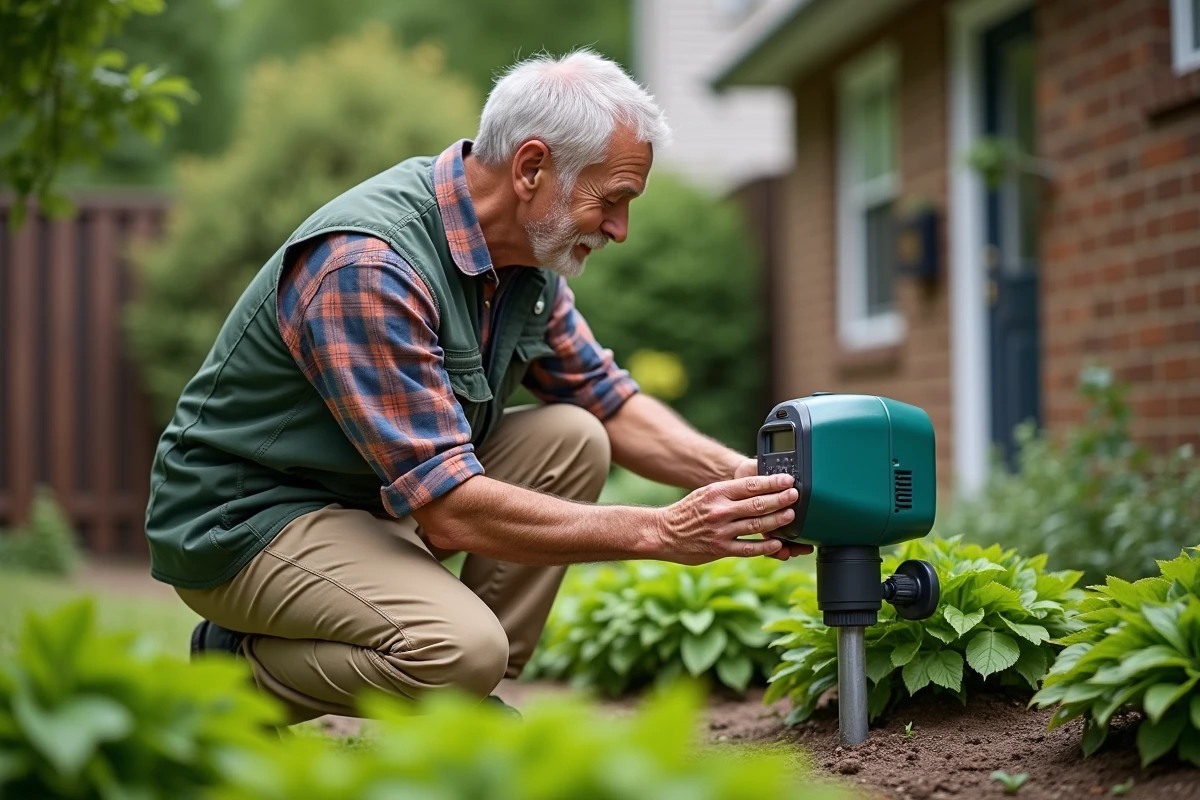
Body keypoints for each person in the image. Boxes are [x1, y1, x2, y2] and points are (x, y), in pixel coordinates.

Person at [144, 49, 810, 724]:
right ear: (531, 168)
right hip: (248, 521)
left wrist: (750, 483)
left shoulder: (526, 257)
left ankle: (458, 689)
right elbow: (448, 508)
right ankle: (235, 674)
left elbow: (607, 401)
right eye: (610, 201)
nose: (620, 229)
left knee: (573, 436)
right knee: (459, 649)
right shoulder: (370, 265)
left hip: (367, 501)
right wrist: (660, 531)